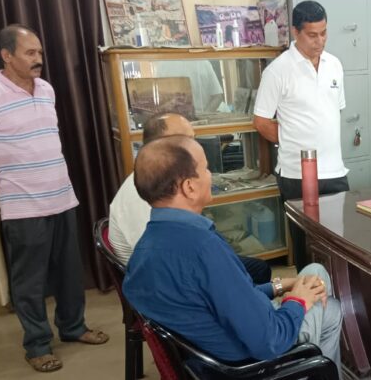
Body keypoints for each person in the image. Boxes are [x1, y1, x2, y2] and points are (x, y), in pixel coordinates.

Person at [123, 135, 342, 368]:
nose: (211, 175)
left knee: (314, 272)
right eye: (206, 169)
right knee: (330, 307)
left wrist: (280, 286)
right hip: (250, 362)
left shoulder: (144, 250)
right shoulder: (203, 248)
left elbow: (226, 299)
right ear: (189, 187)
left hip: (213, 351)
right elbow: (270, 340)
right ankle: (310, 369)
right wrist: (297, 301)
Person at [0, 24, 108, 372]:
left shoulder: (46, 89)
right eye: (30, 53)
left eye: (39, 52)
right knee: (29, 281)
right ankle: (37, 345)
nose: (38, 59)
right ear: (6, 55)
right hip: (22, 205)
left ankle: (73, 327)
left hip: (61, 196)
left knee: (69, 272)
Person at [108, 112, 271, 283]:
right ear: (162, 146)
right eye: (187, 140)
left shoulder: (158, 179)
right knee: (254, 272)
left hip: (181, 260)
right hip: (169, 278)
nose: (195, 146)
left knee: (254, 267)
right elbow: (159, 262)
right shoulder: (141, 196)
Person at [253, 0, 349, 268]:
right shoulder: (278, 71)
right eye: (312, 35)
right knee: (307, 247)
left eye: (324, 33)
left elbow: (334, 111)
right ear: (295, 32)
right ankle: (309, 293)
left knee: (340, 246)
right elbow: (261, 121)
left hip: (335, 172)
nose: (320, 41)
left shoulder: (334, 65)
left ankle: (337, 293)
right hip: (297, 174)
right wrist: (293, 139)